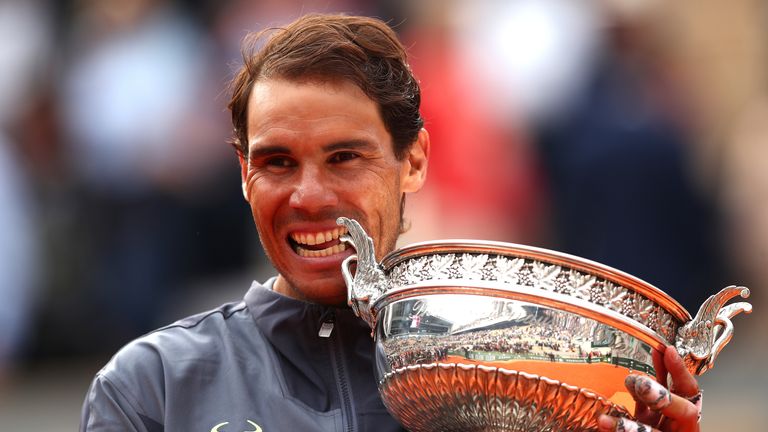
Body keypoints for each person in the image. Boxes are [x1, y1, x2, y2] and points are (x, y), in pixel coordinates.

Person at [80, 13, 703, 432]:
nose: (309, 196)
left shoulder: (518, 384)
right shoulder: (151, 388)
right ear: (244, 174)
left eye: (344, 158)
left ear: (414, 161)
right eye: (277, 162)